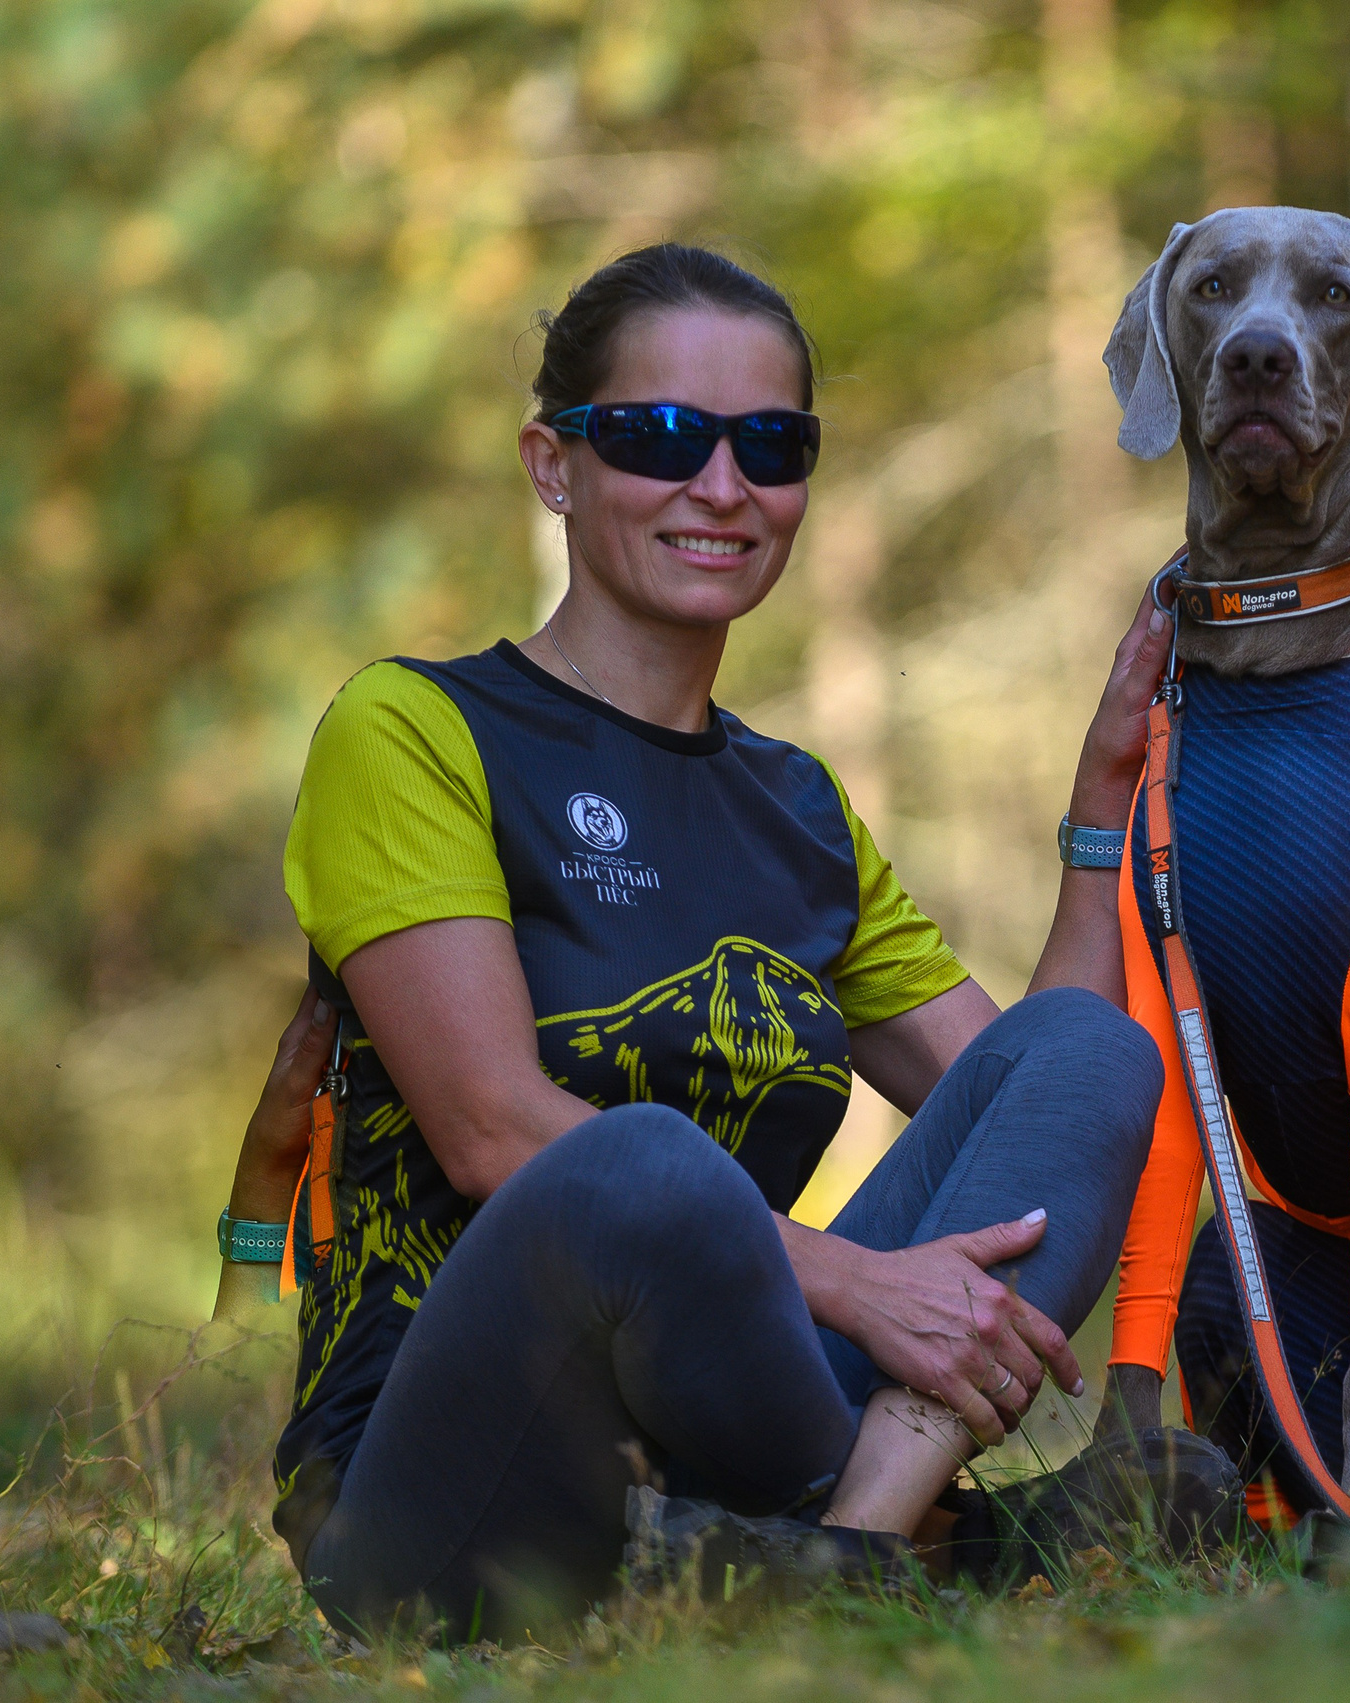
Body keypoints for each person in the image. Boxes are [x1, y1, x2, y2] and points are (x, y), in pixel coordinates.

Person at [214, 244, 1229, 1641]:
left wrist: (1099, 810)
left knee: (1098, 1053)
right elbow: (495, 1132)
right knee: (631, 1158)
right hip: (444, 1487)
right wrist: (863, 1287)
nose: (722, 485)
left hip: (731, 1456)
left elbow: (1034, 1103)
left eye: (771, 444)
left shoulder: (796, 807)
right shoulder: (413, 732)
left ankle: (848, 1558)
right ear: (553, 464)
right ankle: (943, 1546)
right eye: (658, 437)